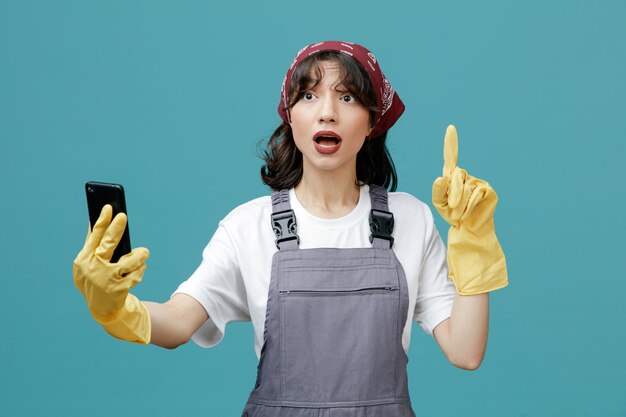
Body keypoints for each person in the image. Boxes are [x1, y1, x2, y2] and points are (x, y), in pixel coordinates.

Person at [73, 40, 508, 416]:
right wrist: (116, 308)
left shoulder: (410, 219)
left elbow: (466, 352)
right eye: (309, 96)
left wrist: (474, 243)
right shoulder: (248, 226)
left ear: (373, 121)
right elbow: (177, 323)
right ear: (291, 116)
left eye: (349, 98)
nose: (328, 113)